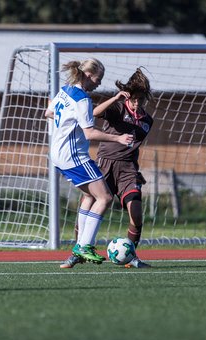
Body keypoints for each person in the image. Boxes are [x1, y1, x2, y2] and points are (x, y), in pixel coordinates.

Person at [45, 58, 133, 268]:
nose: (99, 83)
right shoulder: (82, 99)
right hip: (73, 156)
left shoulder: (65, 90)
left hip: (57, 155)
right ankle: (84, 246)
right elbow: (90, 133)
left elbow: (48, 113)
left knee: (89, 195)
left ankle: (78, 250)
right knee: (104, 197)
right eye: (98, 78)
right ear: (87, 75)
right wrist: (118, 138)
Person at [93, 67, 153, 268]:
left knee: (136, 213)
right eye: (134, 99)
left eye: (141, 99)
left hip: (128, 169)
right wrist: (115, 98)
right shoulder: (118, 108)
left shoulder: (147, 120)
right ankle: (81, 249)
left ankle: (132, 257)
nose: (137, 103)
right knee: (93, 207)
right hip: (105, 165)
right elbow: (95, 112)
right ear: (128, 96)